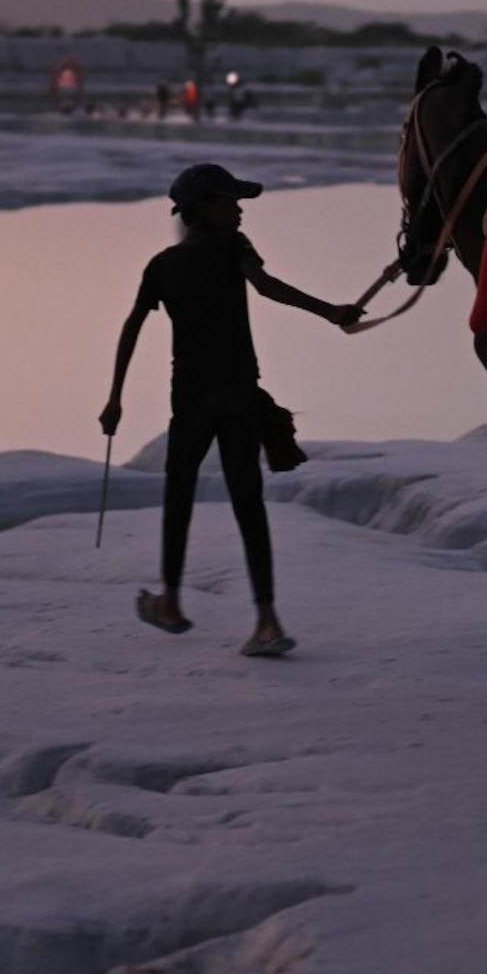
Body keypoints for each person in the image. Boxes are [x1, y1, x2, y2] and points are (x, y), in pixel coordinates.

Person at [102, 163, 362, 657]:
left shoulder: (162, 265)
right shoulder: (233, 249)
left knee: (178, 495)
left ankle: (172, 604)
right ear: (204, 208)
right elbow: (266, 287)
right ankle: (266, 622)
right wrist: (331, 312)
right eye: (230, 201)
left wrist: (115, 397)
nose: (240, 209)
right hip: (239, 396)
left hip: (193, 400)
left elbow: (132, 326)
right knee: (248, 503)